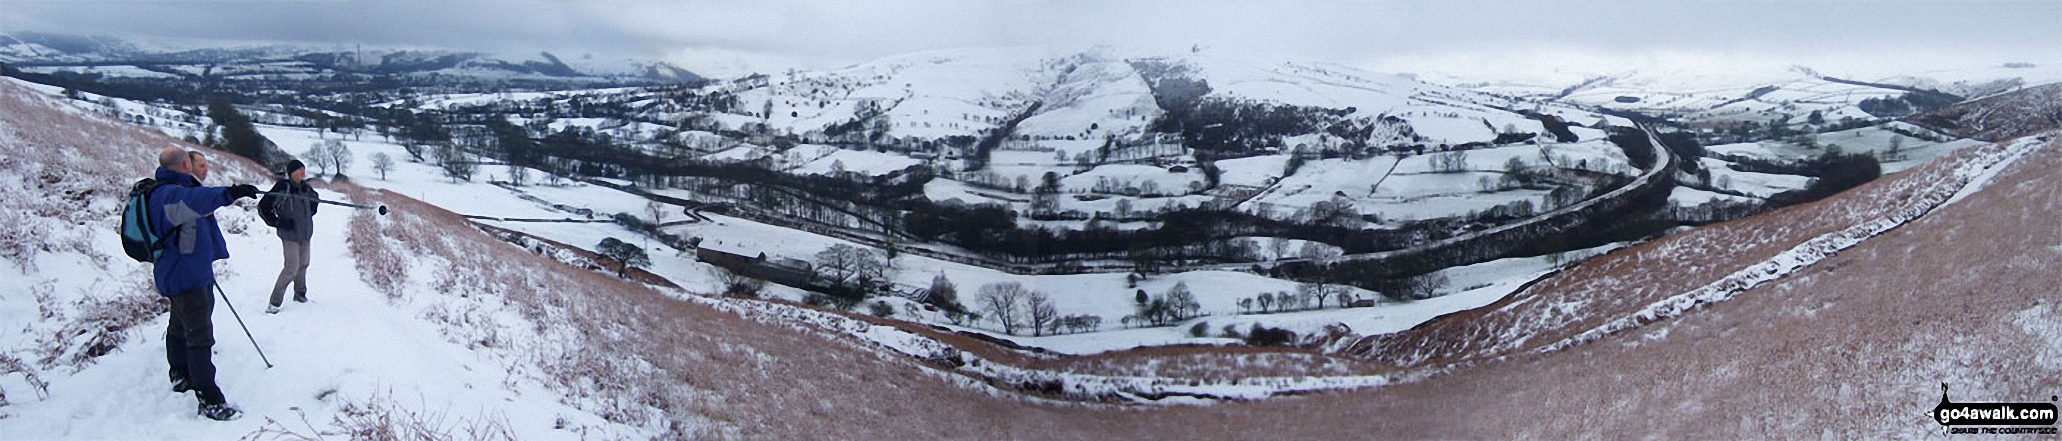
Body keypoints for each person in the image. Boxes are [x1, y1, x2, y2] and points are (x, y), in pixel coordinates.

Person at [149, 147, 259, 421]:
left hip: (181, 269)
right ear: (185, 164)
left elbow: (187, 230)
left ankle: (180, 374)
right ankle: (209, 399)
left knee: (179, 323)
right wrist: (232, 193)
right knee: (199, 334)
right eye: (195, 163)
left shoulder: (165, 191)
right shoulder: (170, 193)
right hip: (186, 275)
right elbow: (198, 199)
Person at [257, 160, 317, 313]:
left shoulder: (306, 188)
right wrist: (278, 222)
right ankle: (274, 303)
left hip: (305, 233)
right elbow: (264, 207)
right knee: (291, 268)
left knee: (303, 265)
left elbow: (312, 208)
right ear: (291, 173)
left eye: (303, 169)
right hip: (289, 235)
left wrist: (314, 202)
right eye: (298, 170)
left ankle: (300, 294)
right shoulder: (283, 187)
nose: (302, 172)